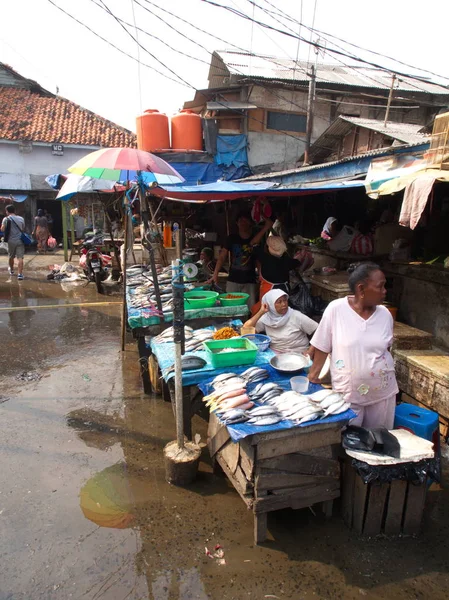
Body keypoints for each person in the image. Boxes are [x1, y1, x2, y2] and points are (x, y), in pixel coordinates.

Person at [308, 263, 398, 429]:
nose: (385, 291)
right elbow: (322, 345)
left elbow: (385, 350)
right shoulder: (336, 309)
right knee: (347, 440)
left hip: (381, 393)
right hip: (348, 393)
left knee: (377, 442)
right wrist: (313, 376)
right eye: (380, 286)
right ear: (361, 289)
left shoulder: (385, 315)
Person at [210, 210, 273, 308]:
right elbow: (222, 256)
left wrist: (261, 277)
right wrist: (215, 274)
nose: (243, 223)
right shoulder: (231, 238)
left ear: (250, 223)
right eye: (241, 220)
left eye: (246, 220)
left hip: (250, 281)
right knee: (230, 308)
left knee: (249, 309)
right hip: (233, 280)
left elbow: (257, 261)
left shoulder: (255, 239)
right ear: (237, 223)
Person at [243, 289, 318, 355]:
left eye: (285, 300)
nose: (284, 304)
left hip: (298, 354)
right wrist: (261, 312)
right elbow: (246, 331)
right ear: (270, 305)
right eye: (279, 302)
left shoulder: (296, 316)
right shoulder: (266, 318)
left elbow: (319, 330)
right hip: (275, 354)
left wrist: (310, 351)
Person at [251, 236, 302, 315]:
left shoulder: (265, 257)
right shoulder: (287, 261)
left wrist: (266, 226)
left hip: (268, 291)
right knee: (281, 313)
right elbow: (298, 262)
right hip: (283, 291)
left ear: (268, 247)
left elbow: (253, 243)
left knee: (265, 313)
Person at [1, 204, 25, 280]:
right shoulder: (21, 218)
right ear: (15, 211)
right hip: (20, 240)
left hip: (11, 241)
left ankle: (11, 270)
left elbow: (2, 229)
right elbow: (23, 227)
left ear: (7, 211)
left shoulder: (6, 219)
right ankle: (20, 274)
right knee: (20, 257)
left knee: (11, 256)